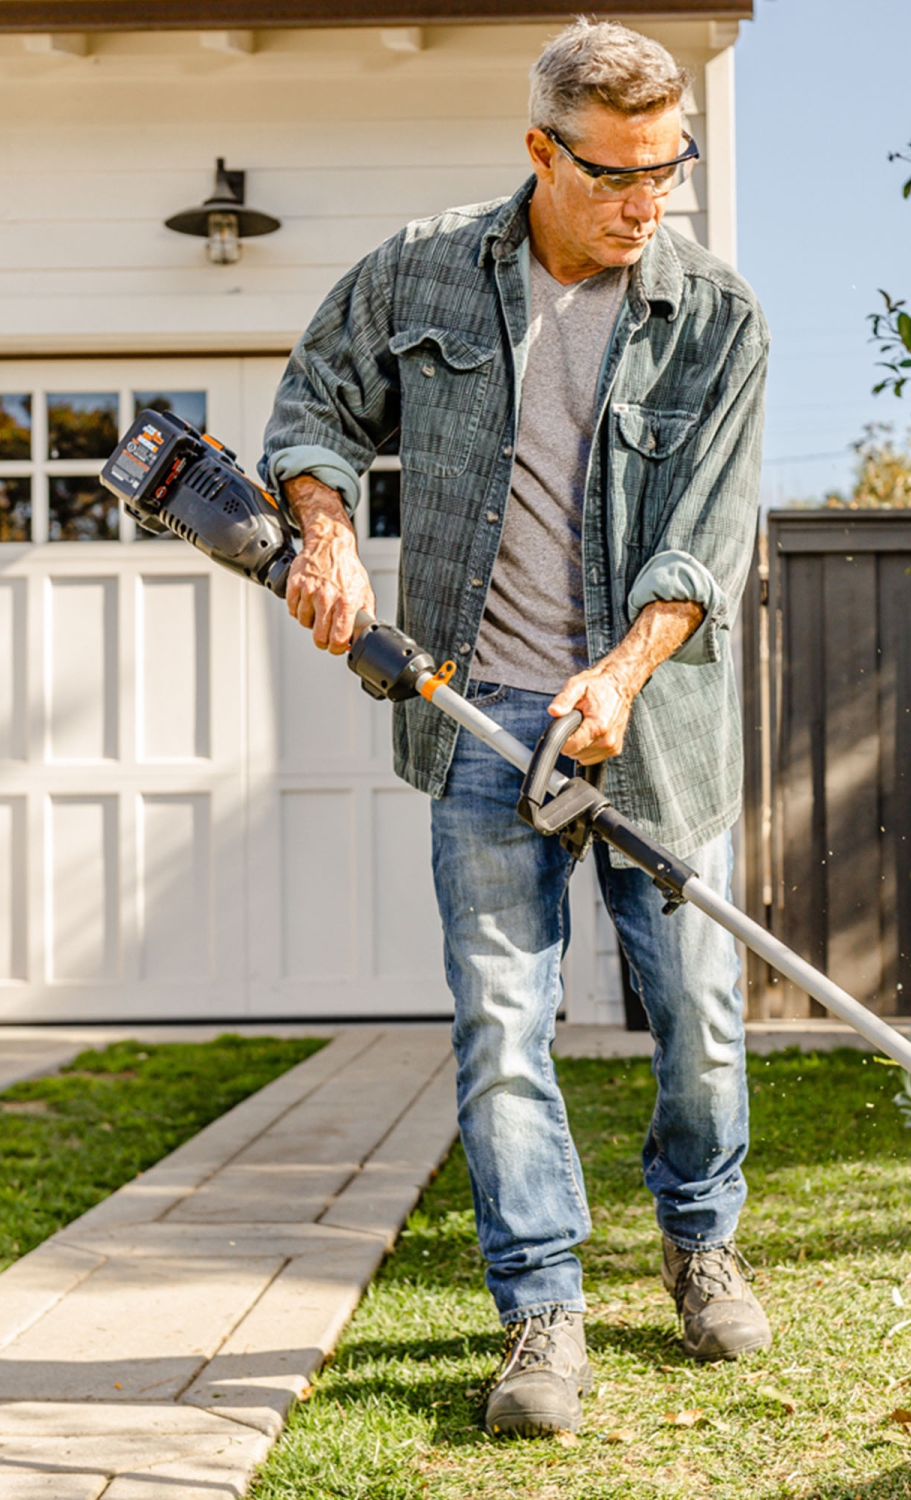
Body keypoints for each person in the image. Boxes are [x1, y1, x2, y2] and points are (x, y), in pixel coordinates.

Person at [259, 18, 769, 1439]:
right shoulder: (424, 271)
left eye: (670, 169)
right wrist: (327, 531)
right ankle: (542, 1310)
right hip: (476, 709)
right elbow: (311, 410)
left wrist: (619, 675)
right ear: (542, 150)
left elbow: (707, 543)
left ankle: (699, 1238)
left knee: (701, 1019)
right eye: (616, 173)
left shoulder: (717, 314)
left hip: (650, 725)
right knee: (501, 1022)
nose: (646, 201)